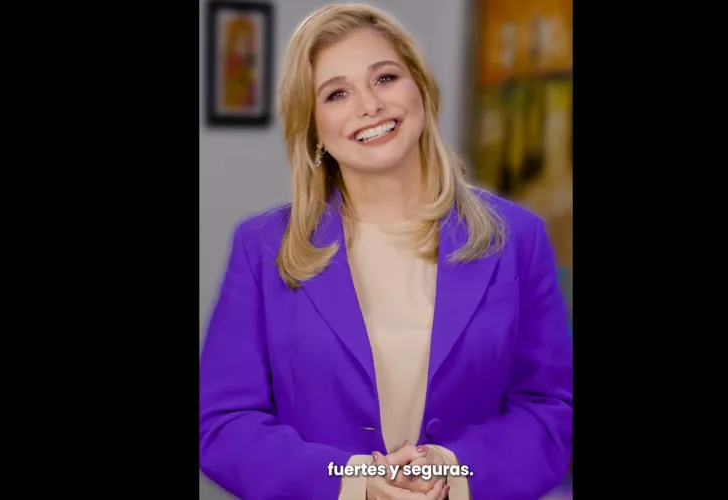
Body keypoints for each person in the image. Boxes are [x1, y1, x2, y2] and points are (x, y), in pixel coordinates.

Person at [199, 3, 572, 500]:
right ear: (313, 127)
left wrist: (455, 469)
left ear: (420, 88)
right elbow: (223, 425)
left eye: (385, 78)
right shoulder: (262, 247)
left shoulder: (517, 236)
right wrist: (350, 479)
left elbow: (549, 411)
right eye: (337, 93)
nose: (370, 105)